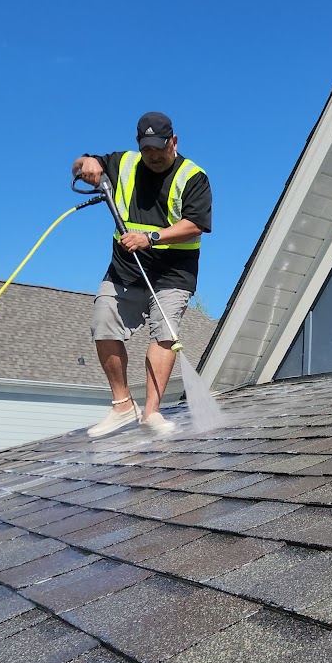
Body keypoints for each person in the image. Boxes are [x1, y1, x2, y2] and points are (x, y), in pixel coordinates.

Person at [72, 111, 211, 437]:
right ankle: (123, 406)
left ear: (173, 142)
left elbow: (196, 225)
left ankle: (151, 413)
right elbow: (79, 164)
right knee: (103, 322)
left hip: (173, 273)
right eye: (147, 150)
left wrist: (150, 238)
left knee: (164, 333)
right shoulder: (124, 163)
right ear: (139, 145)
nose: (153, 156)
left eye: (160, 149)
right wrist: (86, 162)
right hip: (125, 271)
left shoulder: (193, 177)